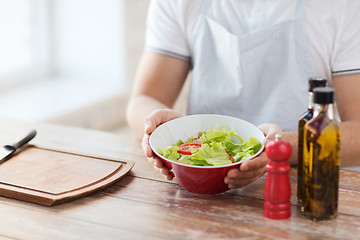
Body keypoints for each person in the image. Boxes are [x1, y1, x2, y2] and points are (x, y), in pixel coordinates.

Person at [126, 0, 360, 189]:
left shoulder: (342, 8)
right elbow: (143, 99)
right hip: (199, 187)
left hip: (303, 186)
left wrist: (275, 147)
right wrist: (159, 130)